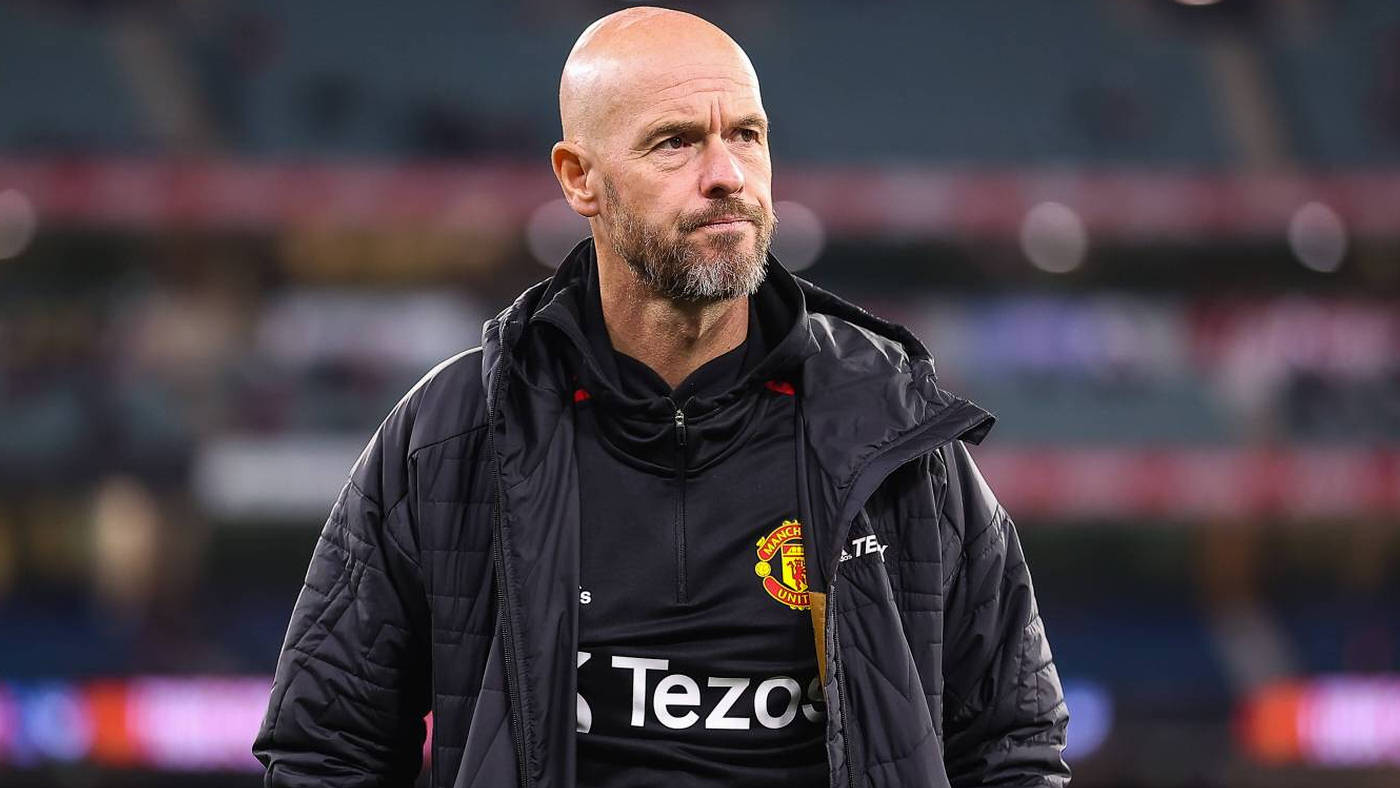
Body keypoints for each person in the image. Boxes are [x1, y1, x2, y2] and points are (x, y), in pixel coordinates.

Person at [253, 7, 1069, 787]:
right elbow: (325, 745)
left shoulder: (893, 434)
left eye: (746, 135)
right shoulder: (451, 435)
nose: (727, 176)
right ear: (580, 178)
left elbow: (1014, 740)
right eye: (675, 142)